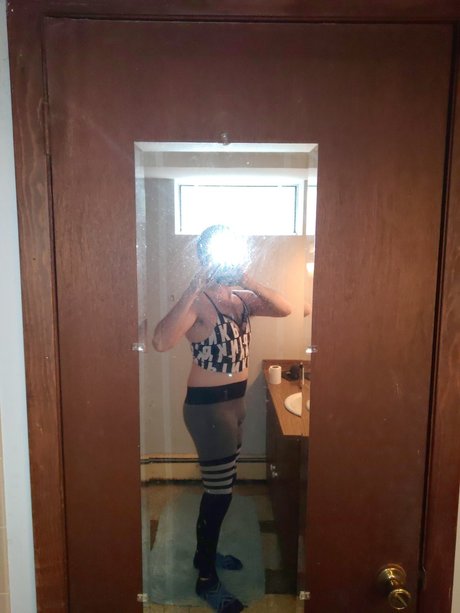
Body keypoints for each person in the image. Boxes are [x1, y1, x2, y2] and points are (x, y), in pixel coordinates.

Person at [153, 225, 291, 613]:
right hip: (208, 410)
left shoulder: (242, 299)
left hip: (235, 404)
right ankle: (206, 579)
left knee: (222, 486)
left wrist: (248, 277)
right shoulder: (198, 303)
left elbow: (287, 307)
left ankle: (205, 554)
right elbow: (161, 341)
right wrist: (193, 286)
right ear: (203, 257)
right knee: (219, 494)